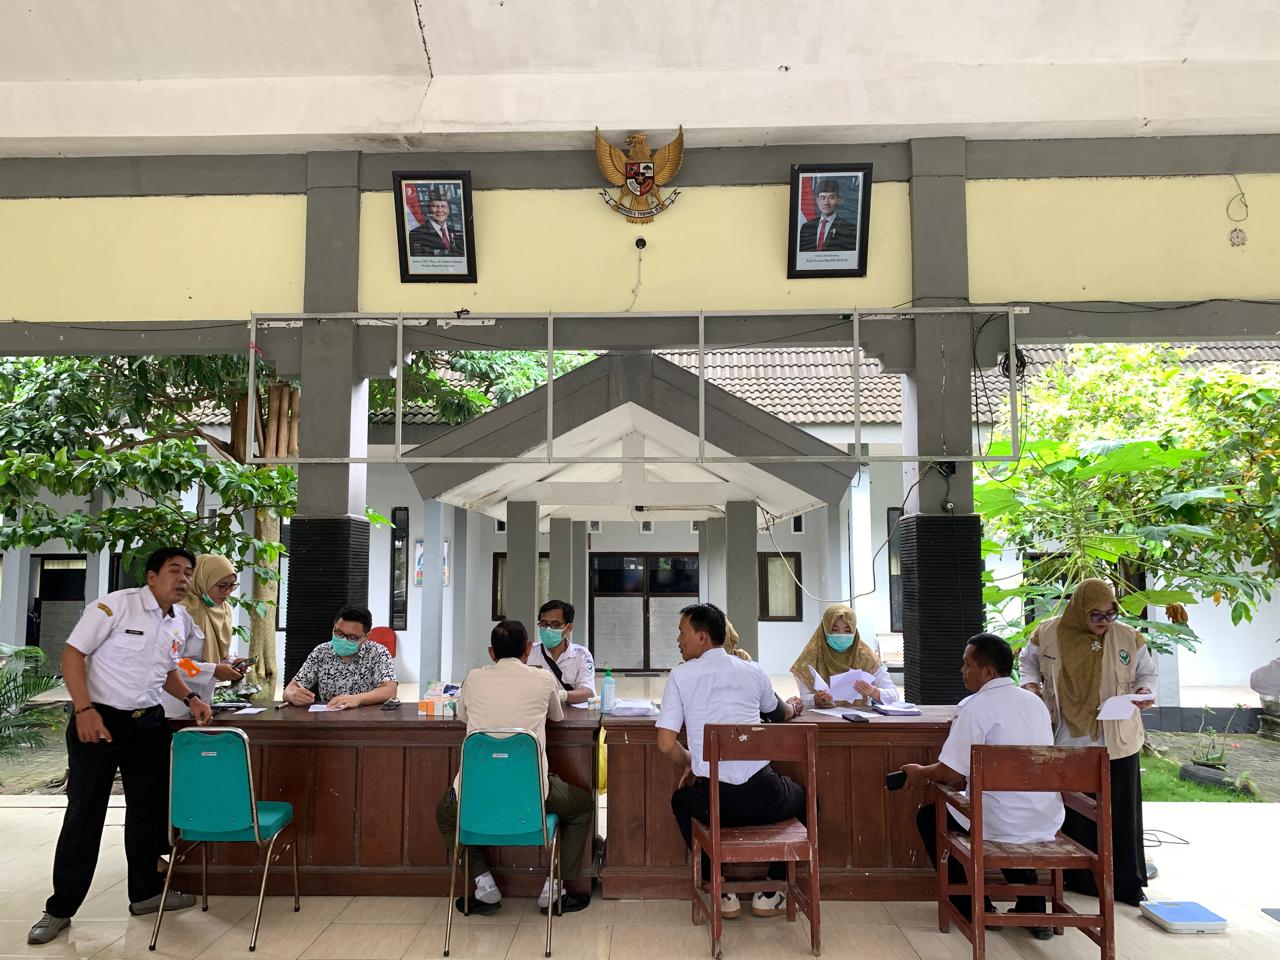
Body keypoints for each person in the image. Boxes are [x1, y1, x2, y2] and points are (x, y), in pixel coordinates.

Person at [28, 548, 214, 946]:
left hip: (147, 723)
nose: (183, 579)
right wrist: (84, 710)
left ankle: (145, 893)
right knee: (85, 815)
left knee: (149, 811)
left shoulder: (179, 620)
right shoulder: (114, 607)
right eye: (174, 571)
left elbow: (168, 669)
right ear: (151, 576)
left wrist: (191, 698)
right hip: (99, 720)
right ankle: (60, 908)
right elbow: (72, 655)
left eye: (188, 572)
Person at [901, 633, 1062, 940]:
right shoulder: (1035, 704)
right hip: (1044, 816)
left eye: (967, 664)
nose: (962, 670)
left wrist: (920, 772)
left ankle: (971, 907)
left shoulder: (974, 707)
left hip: (997, 820)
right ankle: (1033, 907)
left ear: (987, 672)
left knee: (931, 817)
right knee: (1008, 810)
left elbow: (951, 772)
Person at [659, 602, 808, 920]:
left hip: (715, 805)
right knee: (808, 801)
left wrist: (693, 760)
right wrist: (795, 707)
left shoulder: (681, 676)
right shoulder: (752, 670)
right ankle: (771, 891)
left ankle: (719, 888)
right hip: (766, 798)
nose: (678, 639)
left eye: (682, 632)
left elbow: (665, 743)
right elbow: (779, 713)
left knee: (681, 802)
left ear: (702, 637)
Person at [435, 620, 594, 916]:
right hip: (533, 793)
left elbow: (462, 716)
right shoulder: (542, 679)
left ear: (491, 652)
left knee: (447, 814)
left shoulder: (473, 678)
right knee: (582, 805)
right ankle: (554, 888)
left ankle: (484, 886)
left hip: (475, 794)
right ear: (528, 649)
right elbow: (557, 717)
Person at [1019, 578, 1156, 906]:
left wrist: (1143, 691)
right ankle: (1077, 878)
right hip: (1068, 736)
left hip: (1116, 739)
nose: (1104, 622)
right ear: (1080, 610)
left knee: (1120, 812)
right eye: (1096, 615)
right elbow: (1027, 663)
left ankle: (1125, 882)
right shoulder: (1048, 633)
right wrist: (1030, 686)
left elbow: (1147, 674)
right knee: (1073, 810)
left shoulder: (1128, 637)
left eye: (1110, 614)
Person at [161, 555, 250, 719]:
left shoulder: (222, 610)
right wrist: (213, 670)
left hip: (203, 703)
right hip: (174, 706)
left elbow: (210, 655)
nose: (228, 592)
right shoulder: (180, 612)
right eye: (222, 586)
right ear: (203, 581)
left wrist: (230, 663)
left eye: (232, 585)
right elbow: (173, 664)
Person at [282, 606, 397, 708]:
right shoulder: (321, 652)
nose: (343, 640)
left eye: (352, 637)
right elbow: (290, 689)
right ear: (334, 628)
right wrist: (293, 695)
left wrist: (358, 699)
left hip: (366, 719)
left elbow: (390, 690)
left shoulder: (378, 652)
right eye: (339, 633)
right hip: (329, 718)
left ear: (366, 637)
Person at [790, 603, 899, 708]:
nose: (841, 635)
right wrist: (816, 699)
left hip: (859, 718)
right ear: (824, 630)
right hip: (822, 718)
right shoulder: (811, 658)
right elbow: (803, 699)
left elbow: (894, 696)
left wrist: (873, 692)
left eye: (847, 631)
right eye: (835, 630)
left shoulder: (866, 657)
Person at [528, 599, 596, 704]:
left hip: (570, 712)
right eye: (543, 624)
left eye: (555, 624)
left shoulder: (581, 655)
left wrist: (561, 695)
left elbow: (588, 692)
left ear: (569, 627)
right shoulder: (529, 652)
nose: (548, 629)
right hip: (536, 711)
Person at [797, 179, 858, 252]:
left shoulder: (849, 229)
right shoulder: (806, 227)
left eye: (831, 198)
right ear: (817, 201)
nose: (826, 203)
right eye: (822, 198)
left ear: (838, 200)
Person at [408, 191, 465, 257]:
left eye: (443, 206)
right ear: (428, 209)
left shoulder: (458, 233)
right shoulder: (417, 234)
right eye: (435, 206)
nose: (440, 210)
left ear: (448, 209)